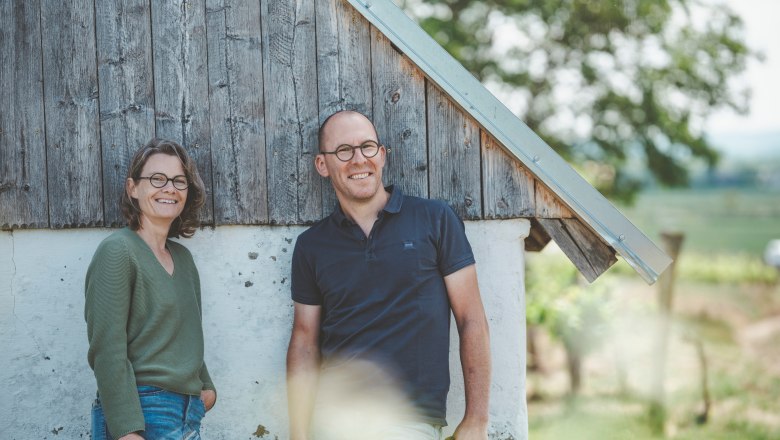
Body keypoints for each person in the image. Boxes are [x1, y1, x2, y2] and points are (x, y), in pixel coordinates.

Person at [287, 111, 491, 440]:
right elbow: (304, 342)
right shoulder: (311, 246)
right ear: (322, 165)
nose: (358, 160)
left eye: (367, 147)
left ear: (381, 155)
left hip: (409, 420)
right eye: (343, 151)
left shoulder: (435, 219)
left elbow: (472, 319)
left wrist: (477, 419)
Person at [85, 139, 217, 439]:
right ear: (133, 188)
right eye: (157, 178)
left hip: (186, 414)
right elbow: (107, 349)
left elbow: (186, 335)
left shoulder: (183, 259)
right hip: (140, 412)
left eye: (179, 181)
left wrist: (206, 388)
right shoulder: (117, 251)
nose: (169, 188)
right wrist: (126, 429)